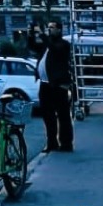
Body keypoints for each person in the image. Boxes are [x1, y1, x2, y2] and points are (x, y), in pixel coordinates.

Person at [36, 19, 74, 153]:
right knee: (48, 115)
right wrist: (30, 34)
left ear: (59, 29)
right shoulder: (47, 45)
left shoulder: (63, 44)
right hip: (45, 84)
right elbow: (34, 48)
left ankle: (66, 143)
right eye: (48, 27)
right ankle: (52, 142)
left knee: (63, 115)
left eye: (52, 27)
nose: (49, 29)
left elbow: (55, 50)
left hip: (58, 85)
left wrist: (42, 35)